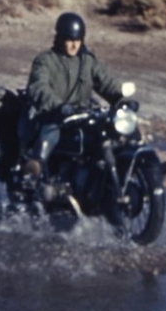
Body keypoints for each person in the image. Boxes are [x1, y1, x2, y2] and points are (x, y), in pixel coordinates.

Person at [19, 11, 126, 182]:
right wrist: (58, 106)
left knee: (117, 127)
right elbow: (38, 87)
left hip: (82, 115)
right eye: (70, 40)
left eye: (77, 40)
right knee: (50, 131)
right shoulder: (45, 60)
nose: (74, 45)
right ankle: (34, 171)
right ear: (60, 38)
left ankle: (140, 164)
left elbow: (106, 82)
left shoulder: (88, 61)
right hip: (53, 114)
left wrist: (122, 98)